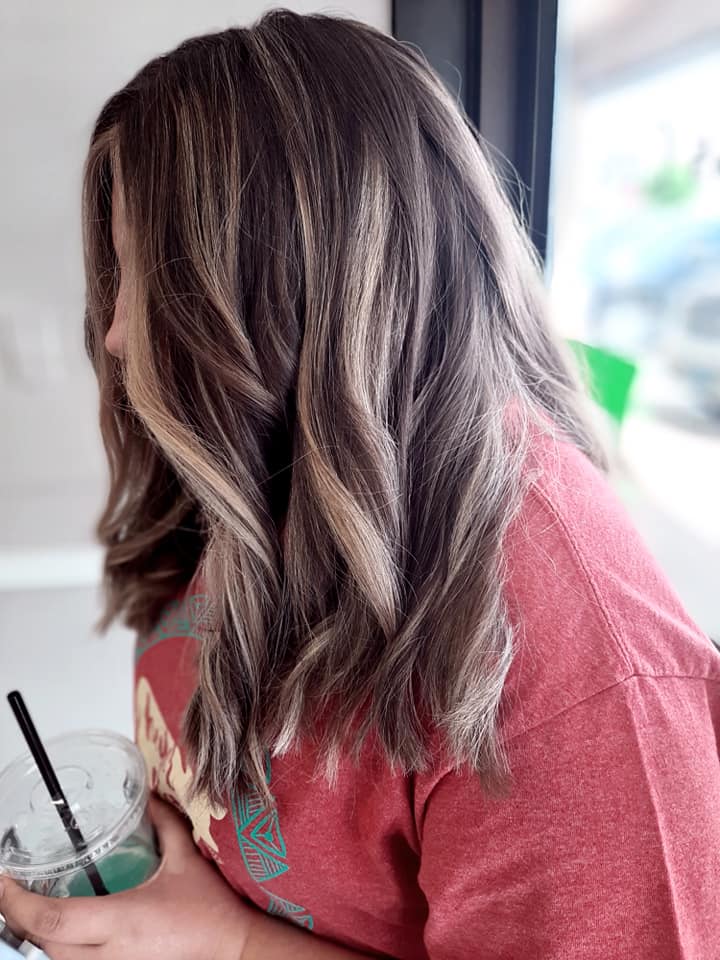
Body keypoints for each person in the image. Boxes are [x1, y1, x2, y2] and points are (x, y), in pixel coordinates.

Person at [1, 10, 718, 960]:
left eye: (147, 280)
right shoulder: (268, 460)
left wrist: (226, 945)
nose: (117, 334)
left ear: (283, 284)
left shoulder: (571, 671)